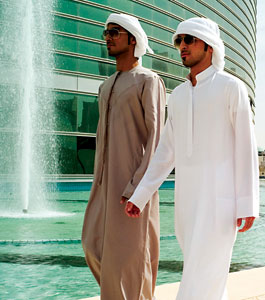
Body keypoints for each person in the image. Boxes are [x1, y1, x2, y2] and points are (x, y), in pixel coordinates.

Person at [125, 17, 259, 300]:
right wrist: (141, 195)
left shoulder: (232, 88)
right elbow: (166, 152)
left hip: (220, 203)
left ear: (209, 47)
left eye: (189, 40)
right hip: (186, 205)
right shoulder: (179, 96)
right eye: (178, 41)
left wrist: (247, 203)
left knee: (203, 276)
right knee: (206, 278)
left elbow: (246, 148)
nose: (182, 47)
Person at [81, 13, 166, 300]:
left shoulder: (148, 80)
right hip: (104, 185)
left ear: (133, 39)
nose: (108, 38)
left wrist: (138, 188)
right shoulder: (105, 86)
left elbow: (156, 139)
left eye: (114, 32)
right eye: (106, 33)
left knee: (132, 257)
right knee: (91, 245)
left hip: (134, 186)